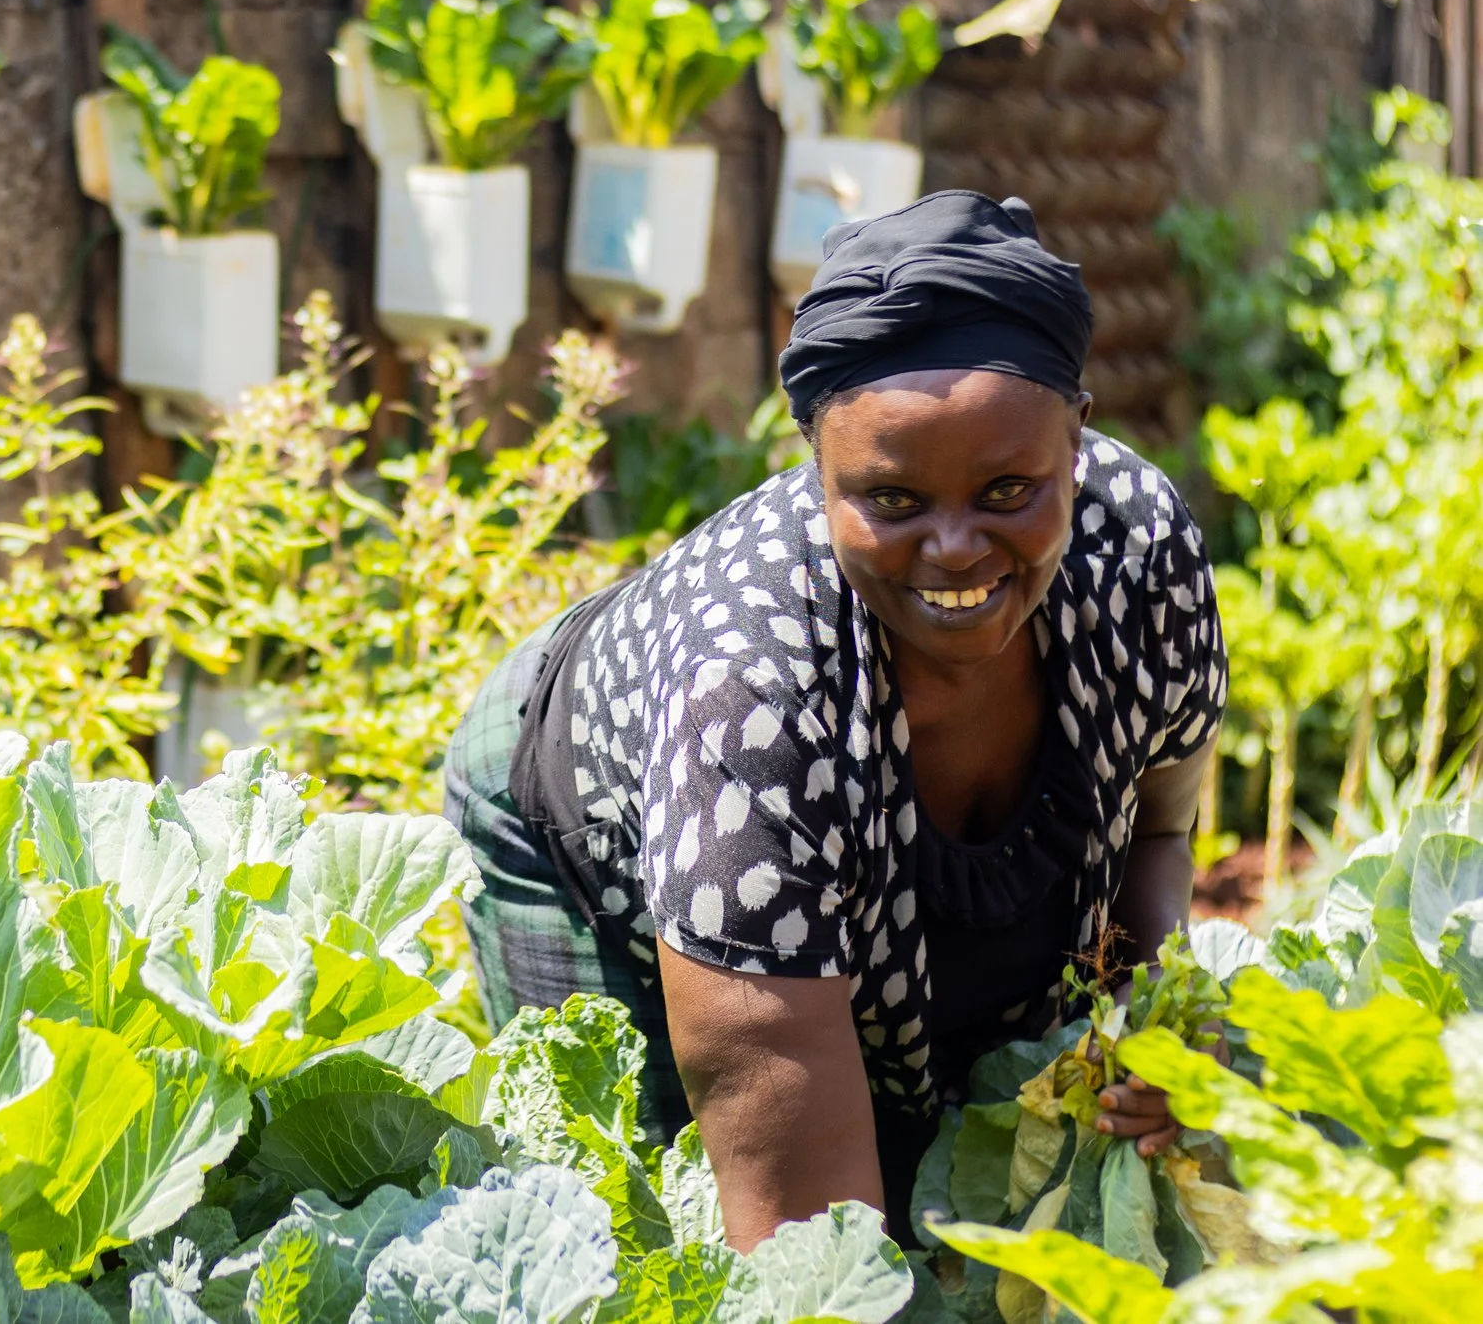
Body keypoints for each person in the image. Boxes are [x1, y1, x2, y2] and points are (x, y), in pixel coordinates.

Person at [444, 190, 1225, 1250]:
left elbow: (1160, 827)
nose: (955, 547)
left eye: (1007, 489)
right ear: (818, 471)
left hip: (823, 858)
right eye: (892, 500)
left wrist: (1154, 1021)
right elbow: (809, 1243)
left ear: (1076, 441)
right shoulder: (749, 697)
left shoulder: (1137, 556)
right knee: (642, 1238)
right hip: (583, 834)